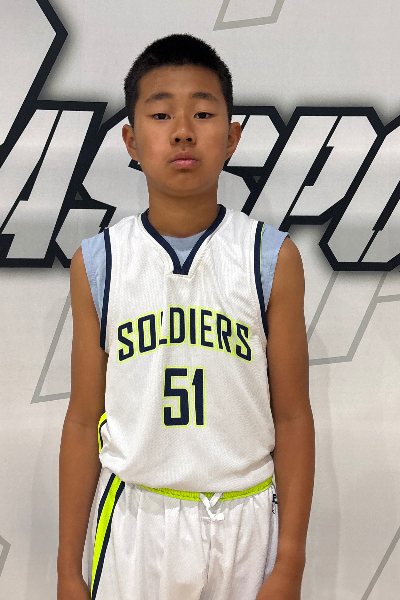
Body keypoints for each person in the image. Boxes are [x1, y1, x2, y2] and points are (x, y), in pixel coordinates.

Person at [57, 34, 314, 600]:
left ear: (232, 137)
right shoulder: (98, 262)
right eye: (160, 114)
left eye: (202, 112)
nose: (182, 131)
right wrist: (66, 569)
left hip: (249, 519)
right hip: (135, 521)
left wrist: (291, 558)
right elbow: (81, 421)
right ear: (131, 139)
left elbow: (293, 416)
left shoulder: (270, 257)